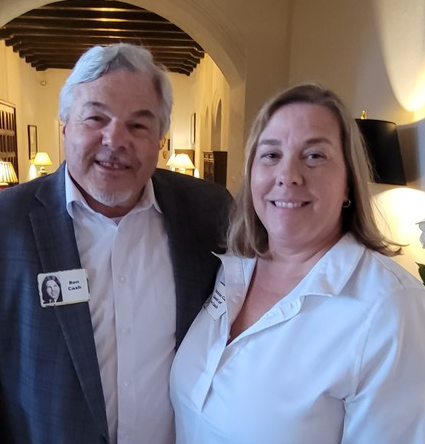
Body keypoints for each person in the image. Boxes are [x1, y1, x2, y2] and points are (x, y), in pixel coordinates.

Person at [0, 43, 232, 444]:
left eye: (139, 125)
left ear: (160, 137)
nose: (115, 140)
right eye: (95, 118)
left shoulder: (208, 213)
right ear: (65, 125)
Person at [170, 83, 425, 444]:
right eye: (271, 154)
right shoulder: (232, 267)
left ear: (349, 183)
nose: (288, 174)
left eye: (315, 156)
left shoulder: (390, 308)